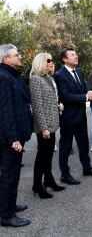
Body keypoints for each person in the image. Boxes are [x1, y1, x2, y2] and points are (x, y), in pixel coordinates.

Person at [55, 47, 92, 185]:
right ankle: (65, 174)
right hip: (68, 117)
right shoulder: (60, 75)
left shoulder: (79, 71)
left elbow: (83, 89)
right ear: (64, 59)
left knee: (83, 143)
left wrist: (91, 93)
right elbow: (66, 96)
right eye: (72, 55)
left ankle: (87, 168)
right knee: (66, 146)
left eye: (76, 54)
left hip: (81, 116)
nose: (76, 56)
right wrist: (86, 97)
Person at [0, 44, 31, 227]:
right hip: (10, 137)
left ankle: (8, 205)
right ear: (6, 58)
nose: (20, 57)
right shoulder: (3, 77)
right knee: (9, 175)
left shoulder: (12, 75)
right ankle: (6, 215)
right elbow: (4, 111)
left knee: (11, 174)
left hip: (16, 134)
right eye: (16, 54)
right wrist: (13, 138)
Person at [29, 53, 65, 199]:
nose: (52, 62)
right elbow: (37, 106)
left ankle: (48, 180)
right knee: (42, 155)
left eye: (52, 60)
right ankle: (37, 185)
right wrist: (43, 128)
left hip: (51, 123)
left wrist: (57, 106)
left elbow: (47, 100)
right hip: (44, 125)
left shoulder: (49, 78)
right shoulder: (36, 79)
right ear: (41, 63)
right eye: (48, 60)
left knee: (49, 154)